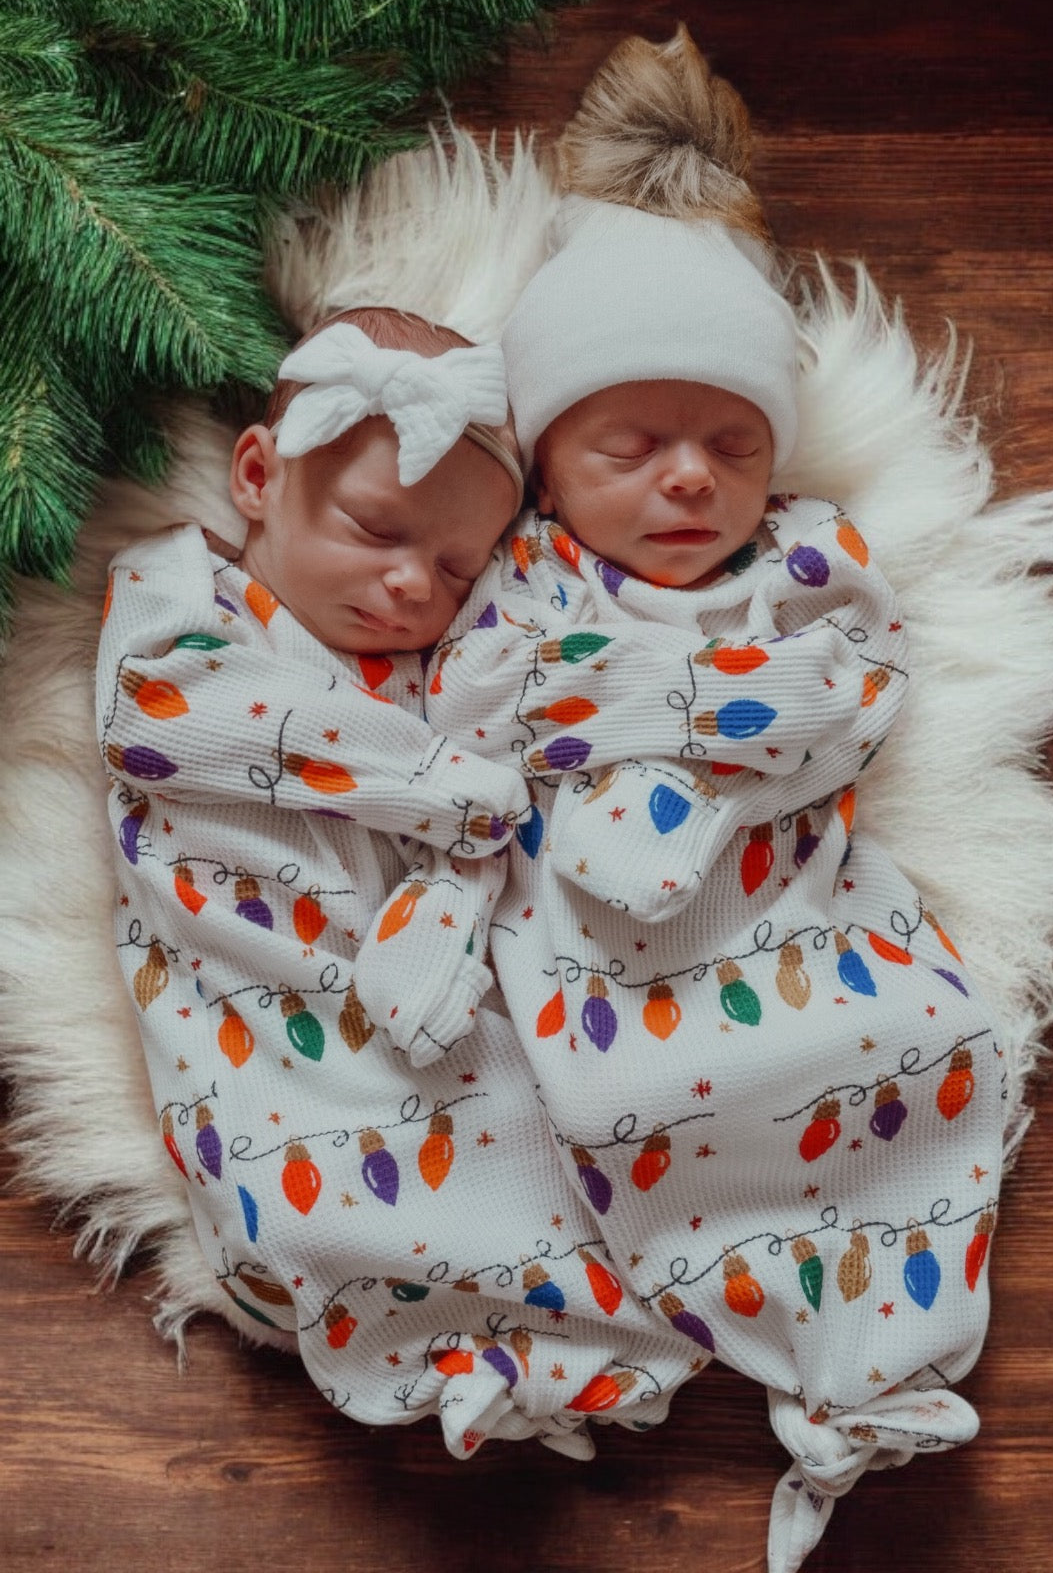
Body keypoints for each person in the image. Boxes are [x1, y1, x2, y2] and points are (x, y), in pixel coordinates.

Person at [422, 31, 1006, 1570]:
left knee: (937, 1054)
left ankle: (880, 1371)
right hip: (596, 963)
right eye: (635, 444)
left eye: (731, 444)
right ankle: (625, 1340)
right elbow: (478, 713)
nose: (690, 478)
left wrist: (675, 719)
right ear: (547, 465)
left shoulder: (805, 565)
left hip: (798, 916)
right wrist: (688, 715)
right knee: (571, 1111)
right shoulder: (523, 579)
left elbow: (853, 702)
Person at [96, 305, 699, 1456]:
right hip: (250, 984)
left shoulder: (440, 671)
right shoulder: (178, 593)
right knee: (304, 1195)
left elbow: (503, 811)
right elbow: (163, 722)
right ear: (260, 475)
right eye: (376, 530)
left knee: (542, 1128)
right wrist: (451, 787)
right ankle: (396, 1329)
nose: (412, 583)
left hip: (411, 973)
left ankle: (535, 1352)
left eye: (453, 562)